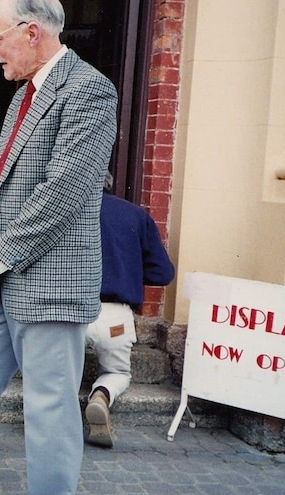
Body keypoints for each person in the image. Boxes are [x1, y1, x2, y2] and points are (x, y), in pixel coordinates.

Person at [0, 0, 118, 495]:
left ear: (31, 32)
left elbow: (63, 194)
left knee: (49, 410)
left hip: (49, 285)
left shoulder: (90, 90)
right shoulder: (22, 96)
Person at [85, 174, 175, 448]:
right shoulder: (135, 214)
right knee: (118, 373)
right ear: (110, 183)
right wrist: (128, 269)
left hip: (70, 311)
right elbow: (163, 272)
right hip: (115, 317)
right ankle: (101, 394)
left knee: (59, 372)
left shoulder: (69, 209)